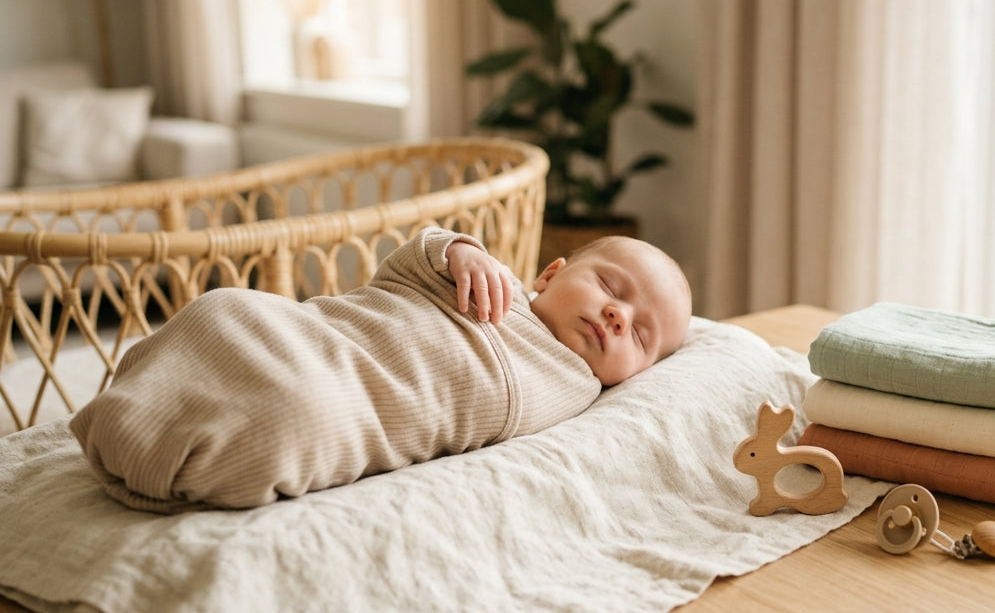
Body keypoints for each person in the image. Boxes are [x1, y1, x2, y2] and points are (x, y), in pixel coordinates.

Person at [69, 227, 692, 513]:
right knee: (226, 311)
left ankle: (168, 454)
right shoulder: (493, 286)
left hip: (346, 401)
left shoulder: (580, 391)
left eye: (640, 334)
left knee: (295, 415)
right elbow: (405, 265)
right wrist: (460, 251)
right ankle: (137, 406)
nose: (616, 316)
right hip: (317, 334)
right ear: (550, 275)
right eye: (611, 286)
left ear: (634, 374)